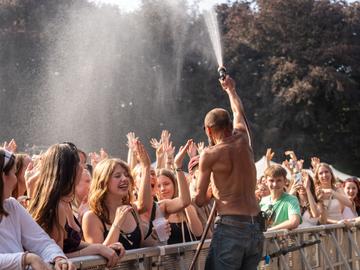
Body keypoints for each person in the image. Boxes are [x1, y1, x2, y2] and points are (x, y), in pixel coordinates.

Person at [193, 74, 264, 270]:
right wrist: (230, 89)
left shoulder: (210, 154)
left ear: (208, 130)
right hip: (255, 227)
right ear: (230, 125)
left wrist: (210, 191)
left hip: (231, 227)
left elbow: (199, 200)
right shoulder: (244, 138)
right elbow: (238, 111)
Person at [28, 143, 124, 268]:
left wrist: (102, 247)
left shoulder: (63, 202)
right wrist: (97, 250)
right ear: (69, 169)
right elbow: (57, 257)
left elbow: (73, 243)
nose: (83, 168)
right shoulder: (57, 207)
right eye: (79, 164)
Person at [0, 148, 76, 270]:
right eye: (14, 173)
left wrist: (58, 258)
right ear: (3, 176)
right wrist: (26, 258)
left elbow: (42, 242)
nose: (15, 179)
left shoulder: (12, 206)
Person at [82, 140, 152, 249]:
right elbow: (98, 259)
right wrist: (117, 223)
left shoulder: (131, 209)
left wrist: (154, 237)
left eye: (126, 175)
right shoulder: (91, 217)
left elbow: (138, 247)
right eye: (117, 176)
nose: (124, 179)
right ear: (103, 181)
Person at [260, 165, 301, 230]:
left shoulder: (291, 200)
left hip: (283, 239)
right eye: (271, 180)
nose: (275, 184)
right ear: (266, 182)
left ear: (285, 181)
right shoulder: (263, 200)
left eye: (279, 180)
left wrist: (270, 230)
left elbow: (294, 222)